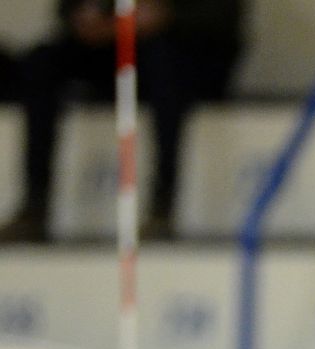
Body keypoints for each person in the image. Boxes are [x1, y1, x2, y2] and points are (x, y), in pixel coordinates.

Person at [0, 0, 244, 242]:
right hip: (110, 46)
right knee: (41, 62)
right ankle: (34, 206)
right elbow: (67, 9)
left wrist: (165, 17)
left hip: (179, 50)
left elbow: (221, 16)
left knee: (166, 68)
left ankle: (163, 207)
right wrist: (84, 18)